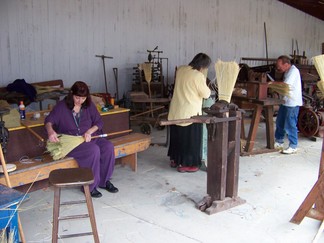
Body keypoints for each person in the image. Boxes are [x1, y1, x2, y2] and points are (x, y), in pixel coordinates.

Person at [45, 81, 118, 197]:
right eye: (77, 97)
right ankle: (90, 186)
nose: (80, 101)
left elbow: (99, 122)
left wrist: (89, 131)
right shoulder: (62, 107)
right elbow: (49, 120)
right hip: (73, 142)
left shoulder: (88, 105)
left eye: (83, 98)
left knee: (108, 147)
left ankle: (104, 181)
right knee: (93, 150)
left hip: (89, 138)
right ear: (71, 94)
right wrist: (50, 131)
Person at [167, 53, 211, 172]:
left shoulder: (181, 69)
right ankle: (188, 164)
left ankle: (175, 160)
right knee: (190, 140)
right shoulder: (198, 76)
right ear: (203, 66)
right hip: (189, 113)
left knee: (177, 137)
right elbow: (206, 94)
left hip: (176, 111)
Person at [274, 55, 303, 154]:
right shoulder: (287, 71)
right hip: (286, 101)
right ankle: (279, 141)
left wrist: (272, 84)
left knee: (290, 124)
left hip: (293, 102)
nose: (278, 68)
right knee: (280, 121)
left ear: (286, 64)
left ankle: (293, 145)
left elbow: (285, 86)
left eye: (279, 66)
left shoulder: (293, 71)